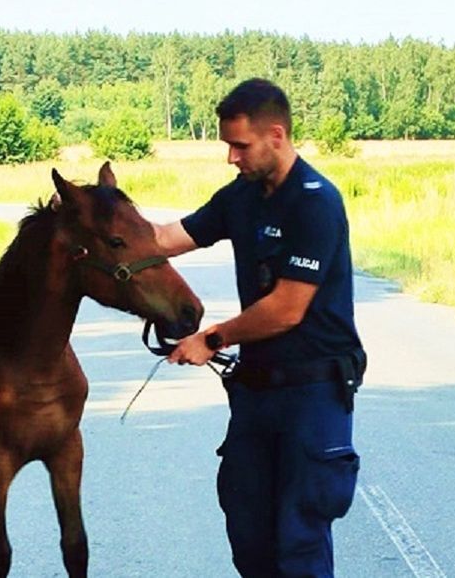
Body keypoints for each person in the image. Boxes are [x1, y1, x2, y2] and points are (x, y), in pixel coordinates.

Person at [154, 78, 366, 577]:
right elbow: (166, 238)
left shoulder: (315, 201)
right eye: (228, 145)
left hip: (314, 393)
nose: (232, 157)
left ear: (276, 135)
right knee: (249, 533)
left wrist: (211, 339)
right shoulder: (241, 198)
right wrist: (97, 218)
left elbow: (288, 308)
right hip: (255, 394)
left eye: (240, 145)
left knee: (299, 540)